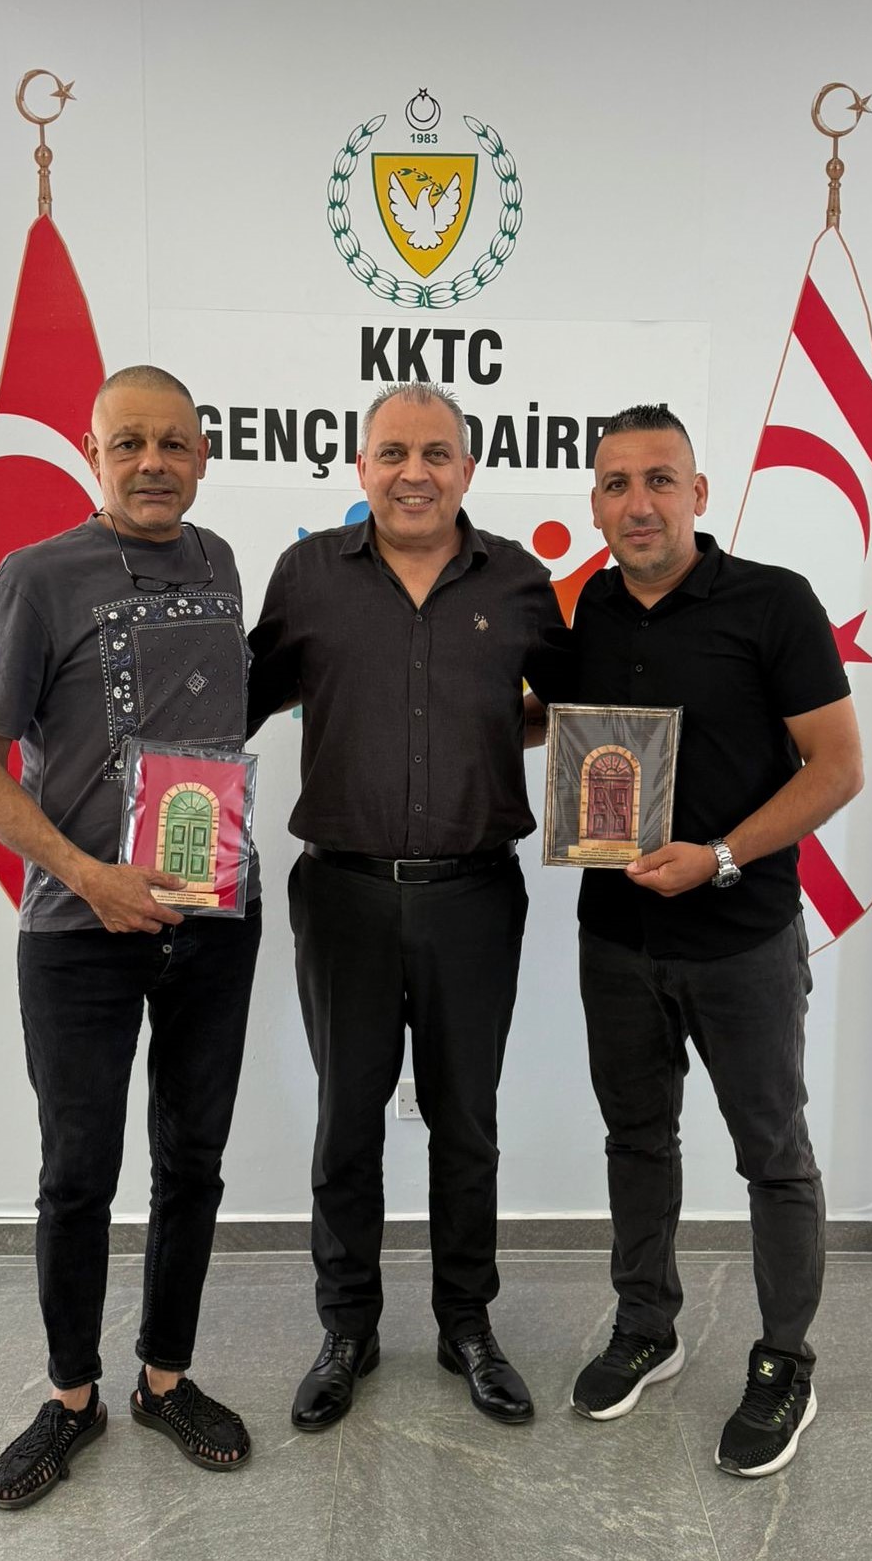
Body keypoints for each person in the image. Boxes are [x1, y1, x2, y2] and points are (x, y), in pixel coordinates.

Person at [0, 366, 261, 1507]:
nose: (152, 462)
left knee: (193, 1160)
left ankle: (164, 1378)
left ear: (203, 454)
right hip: (78, 928)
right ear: (93, 453)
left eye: (173, 442)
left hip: (211, 919)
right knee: (77, 1174)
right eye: (128, 441)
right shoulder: (35, 576)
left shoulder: (222, 562)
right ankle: (72, 1396)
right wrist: (89, 876)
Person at [246, 381, 568, 1430]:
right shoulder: (306, 576)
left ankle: (466, 1324)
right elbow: (234, 702)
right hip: (340, 894)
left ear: (467, 469)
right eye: (392, 453)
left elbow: (579, 710)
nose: (414, 472)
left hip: (474, 896)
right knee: (346, 1123)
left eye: (435, 453)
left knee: (465, 1124)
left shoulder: (518, 581)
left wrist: (487, 728)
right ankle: (346, 1326)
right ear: (361, 467)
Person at [567, 404, 863, 1477]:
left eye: (659, 480)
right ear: (594, 503)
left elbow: (837, 767)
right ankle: (647, 1324)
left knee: (771, 1155)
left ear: (698, 493)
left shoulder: (774, 602)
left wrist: (722, 855)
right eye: (615, 483)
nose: (637, 502)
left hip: (741, 937)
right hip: (615, 936)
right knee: (635, 1140)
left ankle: (785, 1360)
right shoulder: (587, 609)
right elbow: (560, 728)